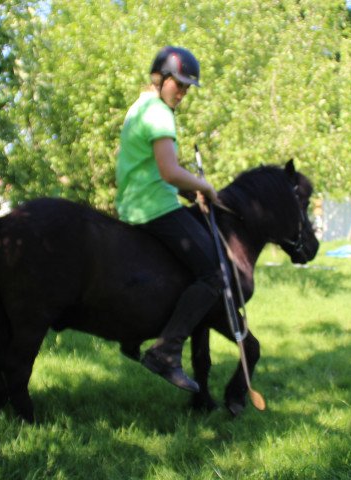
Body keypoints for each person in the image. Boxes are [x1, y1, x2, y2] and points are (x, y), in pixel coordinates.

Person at [115, 46, 223, 393]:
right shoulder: (160, 112)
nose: (184, 92)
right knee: (213, 274)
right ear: (160, 78)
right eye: (180, 84)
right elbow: (168, 170)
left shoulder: (138, 107)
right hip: (153, 207)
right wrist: (204, 186)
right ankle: (166, 352)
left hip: (133, 203)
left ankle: (133, 333)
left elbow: (150, 170)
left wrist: (190, 194)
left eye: (188, 87)